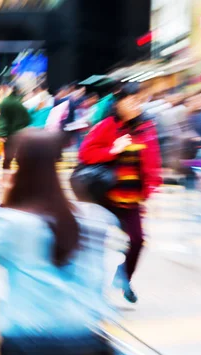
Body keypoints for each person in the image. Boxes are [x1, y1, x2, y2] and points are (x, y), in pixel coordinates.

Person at [0, 129, 121, 355]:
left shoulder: (11, 222)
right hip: (82, 335)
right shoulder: (95, 218)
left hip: (29, 339)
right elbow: (99, 279)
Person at [79, 83, 162, 304]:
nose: (137, 104)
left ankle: (123, 276)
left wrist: (152, 191)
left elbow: (153, 161)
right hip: (106, 198)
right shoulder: (107, 126)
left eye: (140, 100)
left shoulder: (146, 127)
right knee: (97, 245)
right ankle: (92, 291)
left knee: (137, 241)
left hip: (132, 199)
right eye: (132, 100)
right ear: (119, 103)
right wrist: (112, 150)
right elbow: (85, 154)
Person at [0, 84, 30, 183]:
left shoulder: (5, 102)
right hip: (21, 134)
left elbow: (3, 120)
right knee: (21, 157)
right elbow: (27, 119)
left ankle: (5, 179)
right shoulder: (22, 103)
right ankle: (22, 179)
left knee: (8, 158)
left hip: (8, 135)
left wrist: (2, 133)